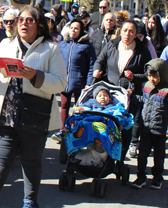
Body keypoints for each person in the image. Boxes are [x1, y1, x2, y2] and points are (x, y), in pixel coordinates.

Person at [0, 6, 67, 208]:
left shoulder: (50, 48)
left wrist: (36, 76)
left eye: (30, 20)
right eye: (21, 20)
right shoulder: (5, 44)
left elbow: (61, 83)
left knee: (31, 162)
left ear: (39, 25)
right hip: (4, 115)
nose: (24, 23)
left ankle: (29, 202)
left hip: (34, 115)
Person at [92, 20, 151, 163]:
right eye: (125, 30)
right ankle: (106, 156)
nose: (127, 34)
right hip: (111, 93)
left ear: (136, 34)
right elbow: (100, 60)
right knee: (109, 124)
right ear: (121, 30)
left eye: (131, 31)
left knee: (126, 128)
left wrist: (134, 77)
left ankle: (120, 158)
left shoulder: (142, 50)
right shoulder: (112, 45)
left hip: (131, 95)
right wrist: (96, 70)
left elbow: (148, 73)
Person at [53, 19, 96, 142]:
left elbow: (91, 66)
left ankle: (77, 130)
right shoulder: (63, 44)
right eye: (71, 28)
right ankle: (62, 130)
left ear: (81, 31)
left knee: (79, 108)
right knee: (64, 106)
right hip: (64, 81)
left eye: (76, 28)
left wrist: (89, 83)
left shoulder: (87, 46)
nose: (73, 30)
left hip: (80, 82)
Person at [131, 59, 168, 190]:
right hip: (146, 128)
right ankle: (141, 176)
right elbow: (143, 100)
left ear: (162, 75)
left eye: (155, 76)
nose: (152, 79)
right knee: (142, 155)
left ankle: (157, 178)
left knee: (159, 156)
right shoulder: (147, 86)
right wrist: (132, 97)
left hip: (160, 131)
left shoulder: (166, 90)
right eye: (150, 76)